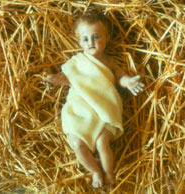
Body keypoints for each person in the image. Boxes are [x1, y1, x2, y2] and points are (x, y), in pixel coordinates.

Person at [44, 9, 144, 188]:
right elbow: (65, 77)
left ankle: (108, 172)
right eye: (85, 39)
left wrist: (128, 81)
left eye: (96, 37)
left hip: (104, 110)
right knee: (76, 143)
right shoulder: (76, 62)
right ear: (79, 41)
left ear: (106, 38)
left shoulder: (108, 62)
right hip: (80, 111)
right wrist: (53, 79)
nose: (91, 43)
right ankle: (95, 171)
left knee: (102, 142)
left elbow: (119, 76)